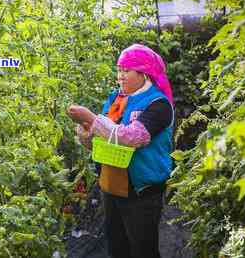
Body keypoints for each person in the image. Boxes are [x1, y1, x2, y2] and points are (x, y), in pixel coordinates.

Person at [67, 44, 174, 258]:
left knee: (144, 250)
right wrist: (85, 130)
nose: (120, 76)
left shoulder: (158, 104)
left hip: (141, 191)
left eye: (126, 71)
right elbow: (101, 138)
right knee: (117, 248)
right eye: (119, 70)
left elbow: (131, 138)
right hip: (111, 186)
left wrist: (91, 118)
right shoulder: (117, 98)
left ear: (144, 74)